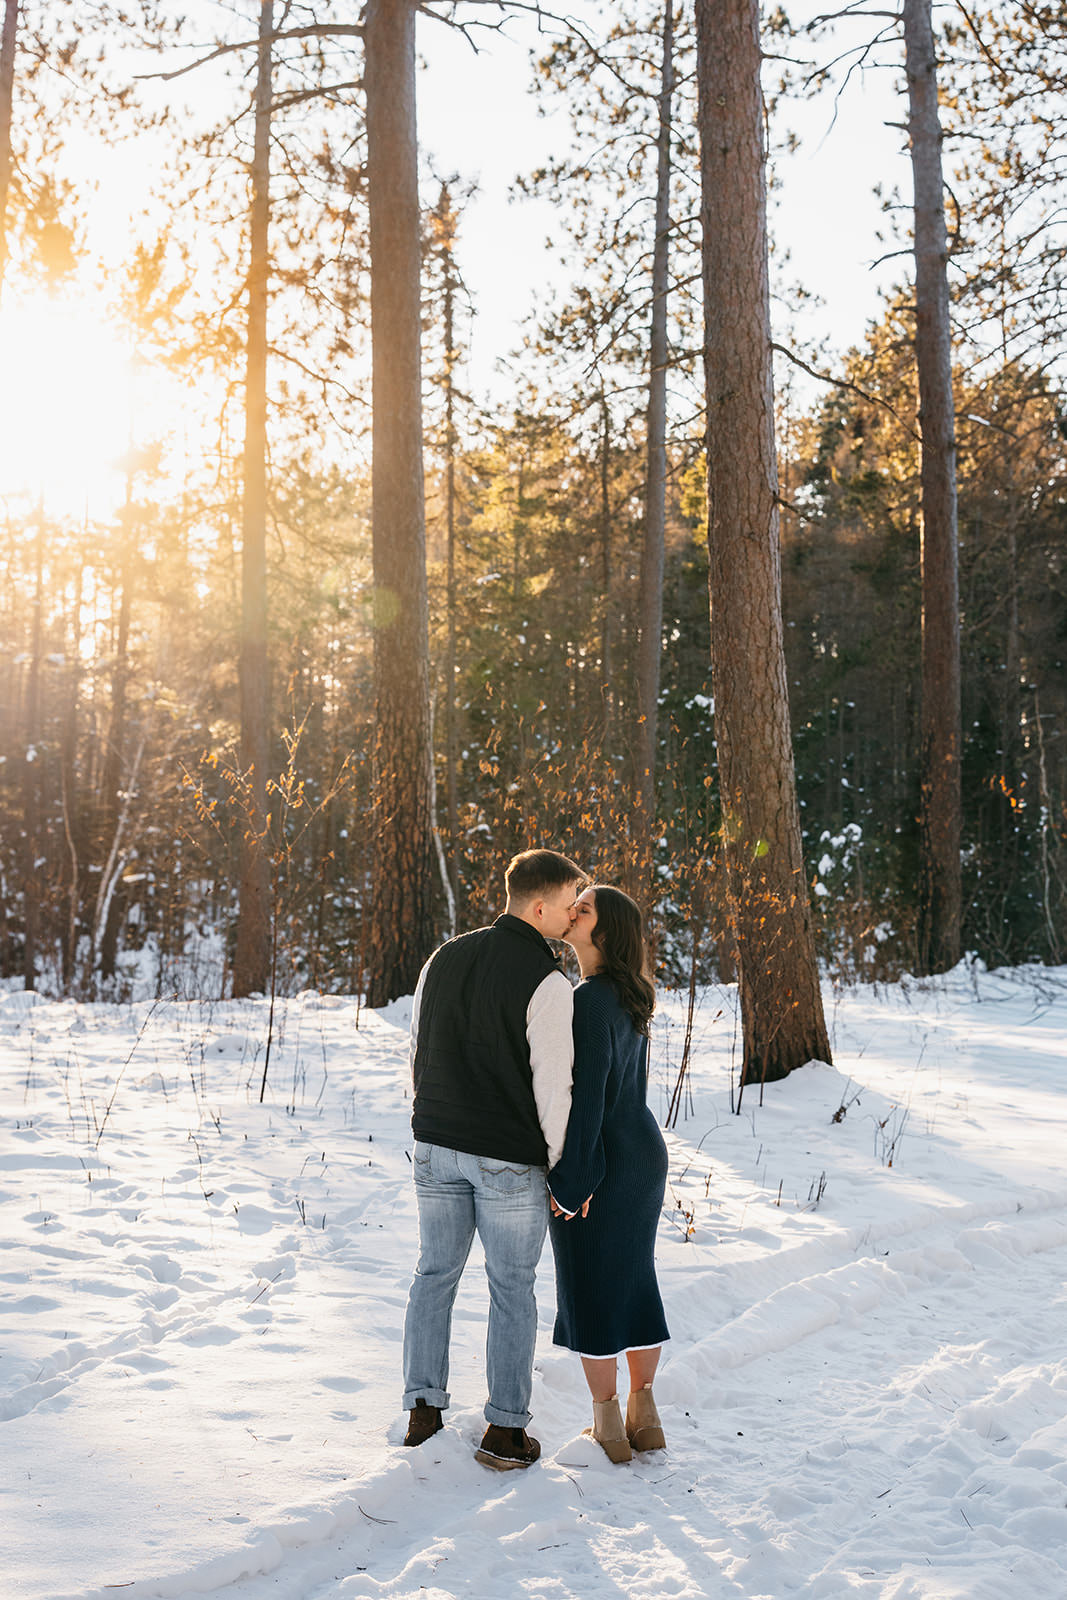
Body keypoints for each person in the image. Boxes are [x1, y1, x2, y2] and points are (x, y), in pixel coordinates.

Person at [401, 848, 584, 1471]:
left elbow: (418, 1048)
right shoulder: (549, 983)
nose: (570, 918)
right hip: (507, 1158)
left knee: (434, 1274)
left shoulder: (444, 956)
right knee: (512, 1288)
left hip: (436, 1142)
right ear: (538, 905)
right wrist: (563, 1166)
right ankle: (505, 1431)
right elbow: (553, 1086)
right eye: (565, 906)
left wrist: (427, 1119)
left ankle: (422, 1410)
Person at [547, 884, 669, 1464]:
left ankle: (609, 1430)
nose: (573, 912)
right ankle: (645, 1415)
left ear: (604, 930)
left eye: (585, 908)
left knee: (591, 1288)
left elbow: (587, 1099)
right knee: (635, 1282)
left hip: (608, 1159)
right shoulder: (630, 994)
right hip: (643, 1153)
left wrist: (575, 1182)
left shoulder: (589, 1000)